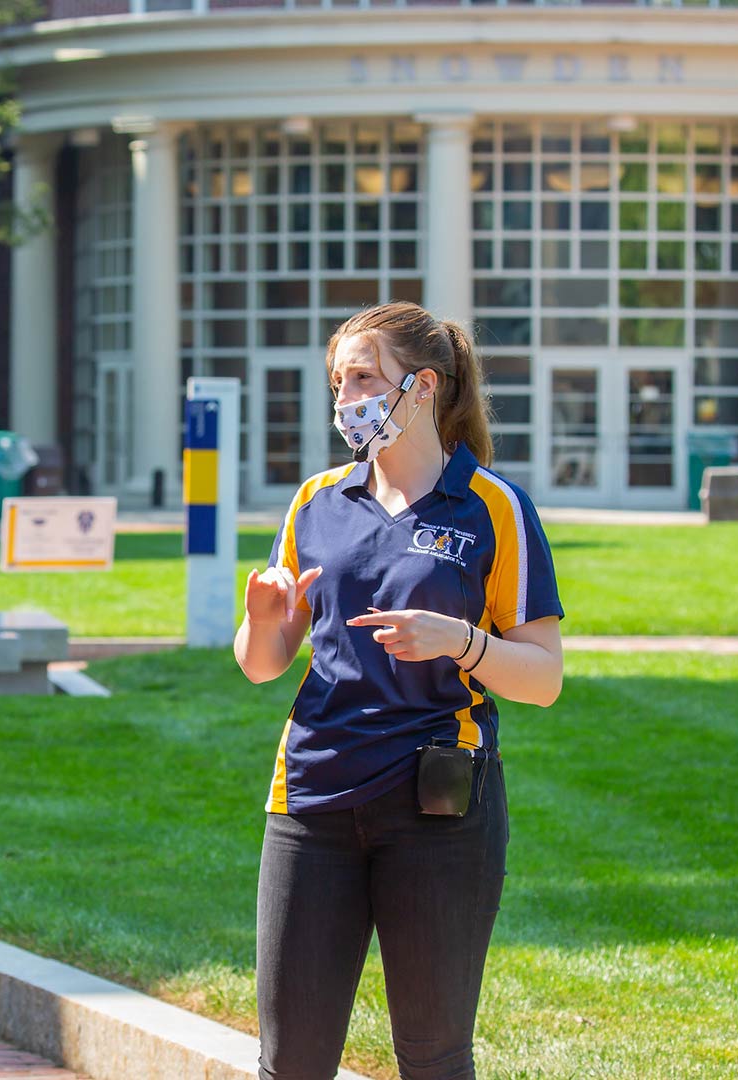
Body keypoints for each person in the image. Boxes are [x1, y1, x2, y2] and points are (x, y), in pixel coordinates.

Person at [233, 302, 565, 1080]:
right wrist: (259, 622)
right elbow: (263, 661)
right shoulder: (316, 499)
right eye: (338, 380)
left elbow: (544, 677)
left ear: (421, 388)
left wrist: (462, 642)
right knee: (290, 1060)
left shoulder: (492, 507)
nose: (346, 397)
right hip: (311, 796)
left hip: (438, 808)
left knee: (434, 1056)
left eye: (362, 377)